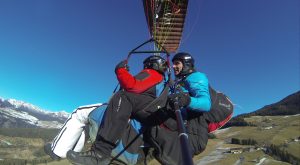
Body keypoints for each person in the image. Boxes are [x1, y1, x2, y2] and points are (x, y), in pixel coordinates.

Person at [63, 55, 168, 165]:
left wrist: (121, 70)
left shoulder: (152, 73)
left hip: (139, 117)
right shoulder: (161, 84)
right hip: (145, 129)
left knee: (121, 97)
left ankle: (100, 152)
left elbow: (132, 85)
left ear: (150, 64)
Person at [144, 52, 234, 165]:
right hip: (188, 128)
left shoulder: (196, 77)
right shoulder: (181, 81)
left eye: (177, 63)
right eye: (173, 63)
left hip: (194, 132)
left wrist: (187, 100)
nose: (173, 66)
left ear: (186, 64)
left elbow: (206, 104)